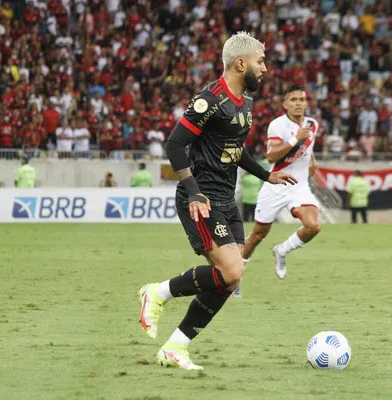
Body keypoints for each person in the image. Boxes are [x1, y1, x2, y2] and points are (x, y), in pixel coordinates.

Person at [137, 32, 296, 370]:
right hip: (202, 197)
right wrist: (193, 190)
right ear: (241, 63)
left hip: (226, 197)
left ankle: (176, 347)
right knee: (232, 268)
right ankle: (158, 292)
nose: (265, 68)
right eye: (260, 61)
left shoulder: (247, 103)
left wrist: (267, 175)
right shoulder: (209, 100)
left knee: (231, 277)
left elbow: (235, 150)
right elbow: (174, 145)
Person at [240, 84, 321, 283]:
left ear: (306, 103)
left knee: (313, 226)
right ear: (285, 104)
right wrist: (294, 140)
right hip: (277, 184)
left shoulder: (312, 124)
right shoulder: (277, 125)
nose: (298, 104)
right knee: (258, 235)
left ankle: (282, 251)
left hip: (300, 186)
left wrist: (312, 161)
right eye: (293, 100)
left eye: (301, 100)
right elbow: (270, 156)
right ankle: (235, 278)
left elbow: (308, 148)